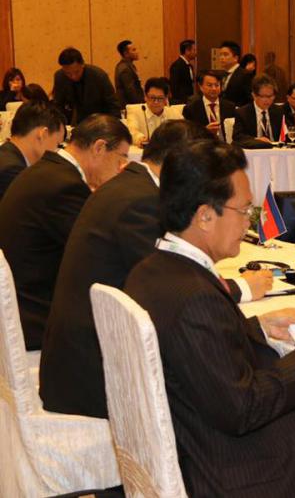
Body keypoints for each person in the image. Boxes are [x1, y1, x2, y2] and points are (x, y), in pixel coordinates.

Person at [123, 141, 295, 496]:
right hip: (239, 471)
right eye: (243, 210)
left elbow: (196, 353)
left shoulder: (151, 270)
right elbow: (243, 408)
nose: (248, 221)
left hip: (204, 441)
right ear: (205, 216)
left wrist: (257, 328)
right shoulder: (195, 298)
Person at [39, 120, 275, 420]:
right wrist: (243, 288)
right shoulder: (143, 202)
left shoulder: (130, 186)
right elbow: (176, 290)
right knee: (225, 392)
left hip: (81, 355)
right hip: (93, 375)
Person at [0, 114, 131, 349]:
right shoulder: (65, 186)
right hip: (37, 318)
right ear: (99, 148)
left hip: (23, 304)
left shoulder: (48, 171)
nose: (121, 168)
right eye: (121, 158)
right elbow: (96, 254)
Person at [0, 101, 66, 200]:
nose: (57, 152)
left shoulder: (6, 154)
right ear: (43, 134)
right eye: (57, 144)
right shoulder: (13, 170)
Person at [52, 47, 120, 125]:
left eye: (77, 72)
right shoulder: (60, 77)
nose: (73, 76)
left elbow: (113, 104)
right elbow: (58, 105)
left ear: (83, 64)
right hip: (74, 122)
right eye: (68, 73)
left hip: (99, 121)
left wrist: (113, 125)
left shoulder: (98, 76)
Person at [127, 78, 183, 146]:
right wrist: (141, 139)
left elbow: (184, 131)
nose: (156, 102)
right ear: (145, 97)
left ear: (166, 99)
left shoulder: (173, 113)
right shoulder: (136, 111)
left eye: (160, 98)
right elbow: (131, 131)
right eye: (152, 98)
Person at [183, 70, 236, 141]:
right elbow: (189, 135)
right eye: (209, 85)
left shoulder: (230, 107)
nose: (214, 89)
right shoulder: (191, 109)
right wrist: (205, 131)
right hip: (203, 145)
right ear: (200, 87)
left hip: (225, 144)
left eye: (217, 85)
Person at [233, 75, 284, 144]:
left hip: (276, 149)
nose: (267, 100)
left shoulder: (279, 111)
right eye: (263, 96)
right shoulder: (242, 113)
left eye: (270, 96)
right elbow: (237, 136)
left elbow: (289, 131)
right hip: (254, 148)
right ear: (254, 95)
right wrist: (256, 140)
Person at [219, 41, 251, 107]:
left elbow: (249, 98)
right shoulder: (222, 74)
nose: (221, 58)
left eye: (225, 55)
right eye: (220, 55)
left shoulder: (245, 74)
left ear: (235, 58)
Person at [114, 40, 145, 107]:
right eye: (133, 50)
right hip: (129, 106)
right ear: (126, 54)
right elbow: (131, 92)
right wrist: (141, 104)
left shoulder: (129, 66)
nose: (137, 52)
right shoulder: (124, 69)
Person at [169, 39, 196, 104]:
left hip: (189, 100)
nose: (195, 52)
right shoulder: (177, 65)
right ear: (187, 51)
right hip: (181, 101)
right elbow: (174, 86)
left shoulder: (190, 66)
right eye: (194, 50)